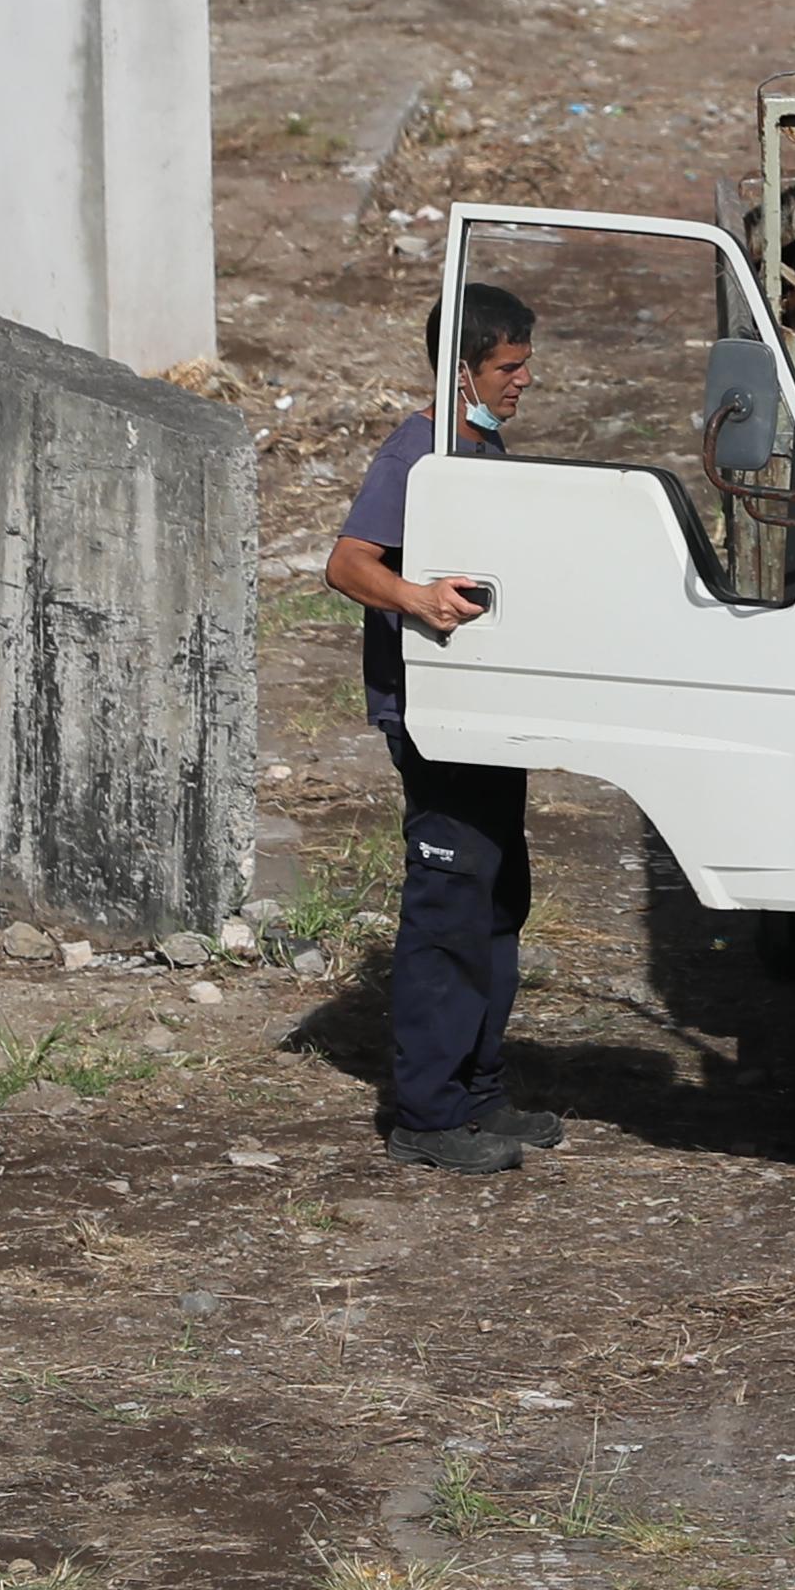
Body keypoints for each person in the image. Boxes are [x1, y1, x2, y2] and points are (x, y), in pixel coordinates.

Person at [325, 282, 555, 1173]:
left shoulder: (480, 446)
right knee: (448, 906)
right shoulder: (417, 449)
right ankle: (426, 1113)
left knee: (499, 900)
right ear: (461, 369)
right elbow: (348, 563)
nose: (524, 379)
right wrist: (416, 601)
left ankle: (479, 1090)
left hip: (488, 714)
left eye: (526, 362)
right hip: (435, 717)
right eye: (507, 364)